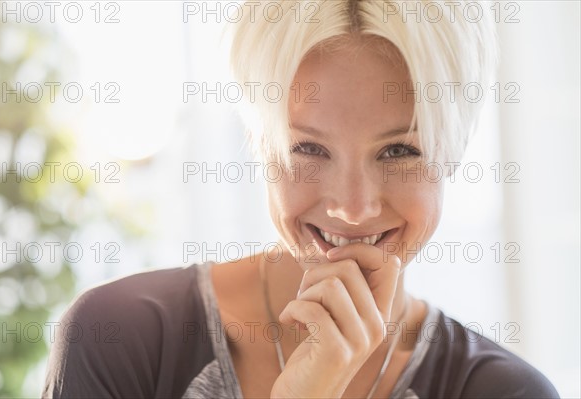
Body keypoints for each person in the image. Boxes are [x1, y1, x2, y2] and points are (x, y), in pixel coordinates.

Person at [42, 1, 560, 398]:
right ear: (260, 141)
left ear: (453, 150)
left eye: (399, 150)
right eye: (310, 148)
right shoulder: (122, 337)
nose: (352, 207)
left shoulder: (506, 391)